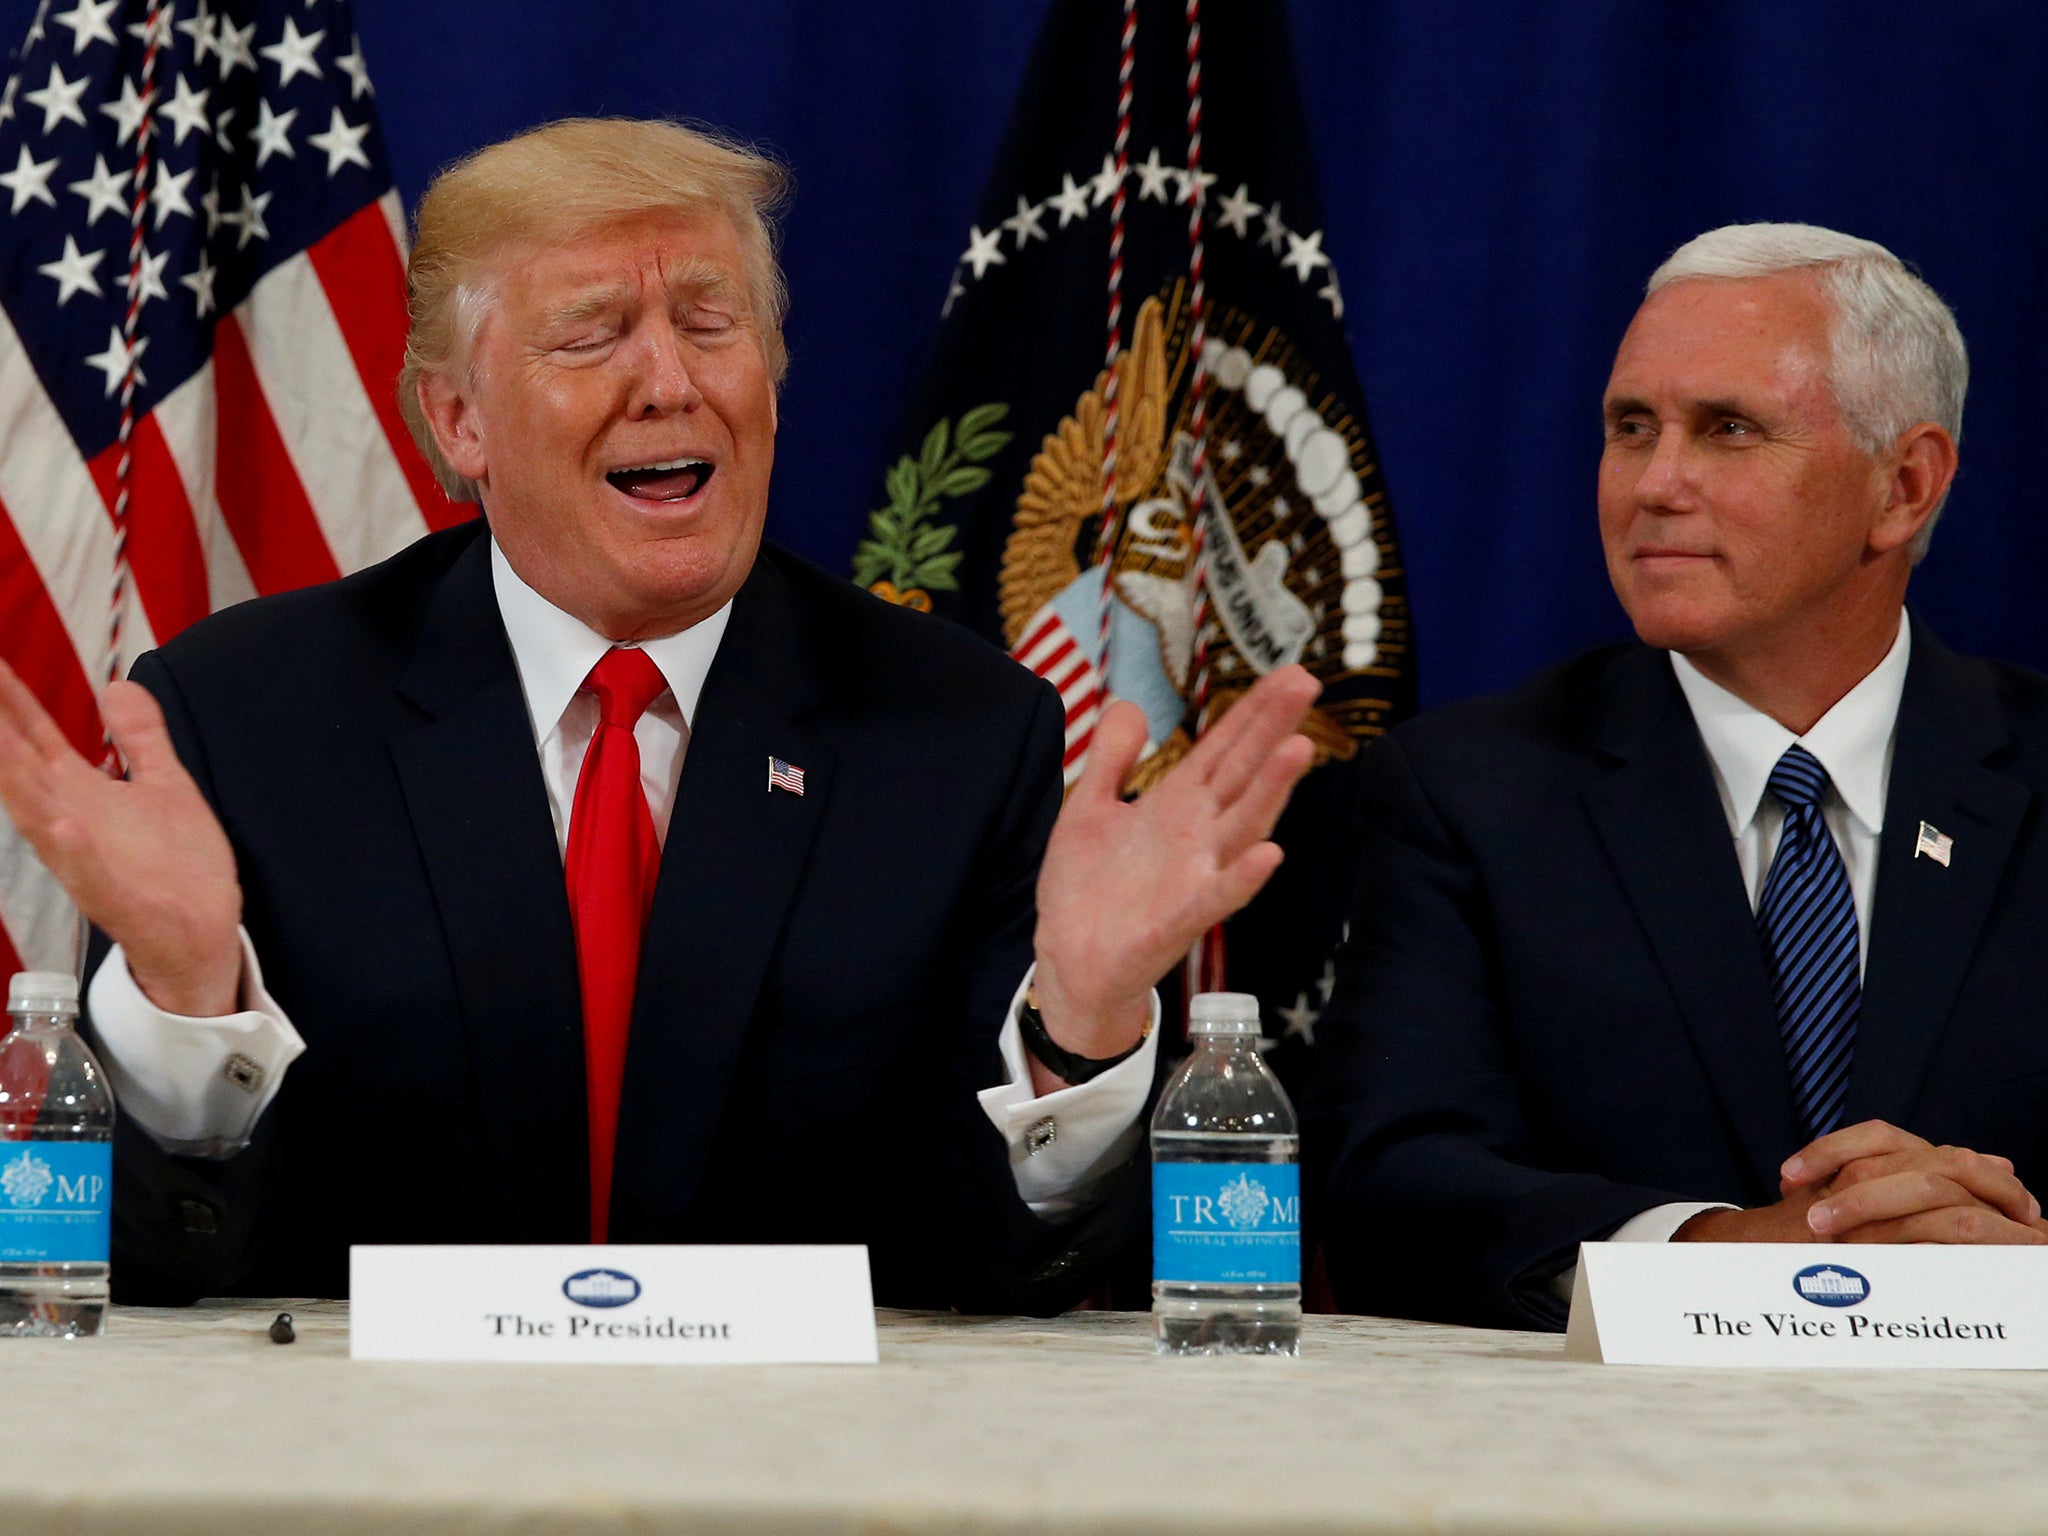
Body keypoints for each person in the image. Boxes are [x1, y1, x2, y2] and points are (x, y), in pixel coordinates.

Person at [0, 118, 1320, 1307]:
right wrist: (184, 998)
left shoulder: (963, 736)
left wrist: (1077, 1024)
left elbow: (992, 1268)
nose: (670, 382)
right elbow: (163, 1262)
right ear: (460, 419)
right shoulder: (250, 718)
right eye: (591, 336)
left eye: (709, 324)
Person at [1306, 223, 2048, 1331]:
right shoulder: (1469, 790)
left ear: (1901, 485)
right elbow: (1388, 1184)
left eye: (1727, 430)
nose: (1652, 484)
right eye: (1629, 428)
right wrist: (1716, 1249)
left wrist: (2016, 1254)